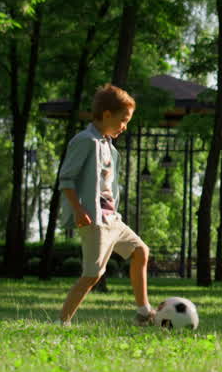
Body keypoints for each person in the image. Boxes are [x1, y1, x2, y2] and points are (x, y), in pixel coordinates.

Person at [57, 84, 154, 327]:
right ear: (107, 115)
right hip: (95, 220)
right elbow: (66, 179)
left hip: (113, 220)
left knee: (141, 251)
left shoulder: (110, 148)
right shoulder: (85, 141)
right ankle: (62, 322)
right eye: (123, 120)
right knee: (93, 274)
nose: (125, 126)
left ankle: (144, 312)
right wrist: (79, 210)